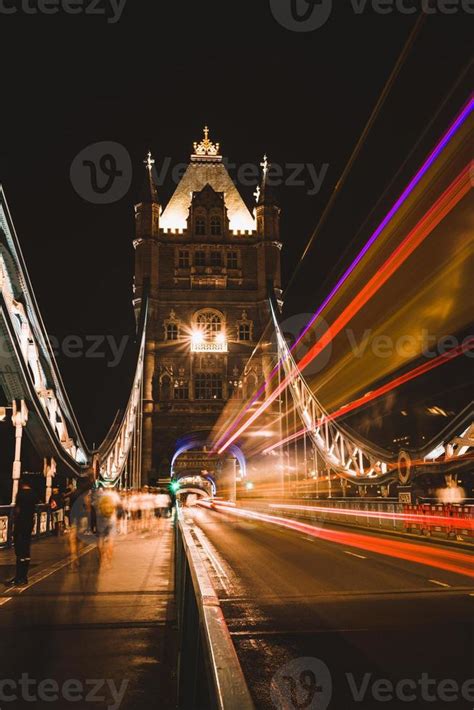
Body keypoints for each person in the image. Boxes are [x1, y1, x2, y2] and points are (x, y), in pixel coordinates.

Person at [6, 479, 37, 587]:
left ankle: (18, 577)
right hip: (29, 524)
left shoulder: (21, 494)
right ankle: (24, 576)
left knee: (19, 552)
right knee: (26, 551)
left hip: (20, 525)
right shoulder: (33, 494)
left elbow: (18, 510)